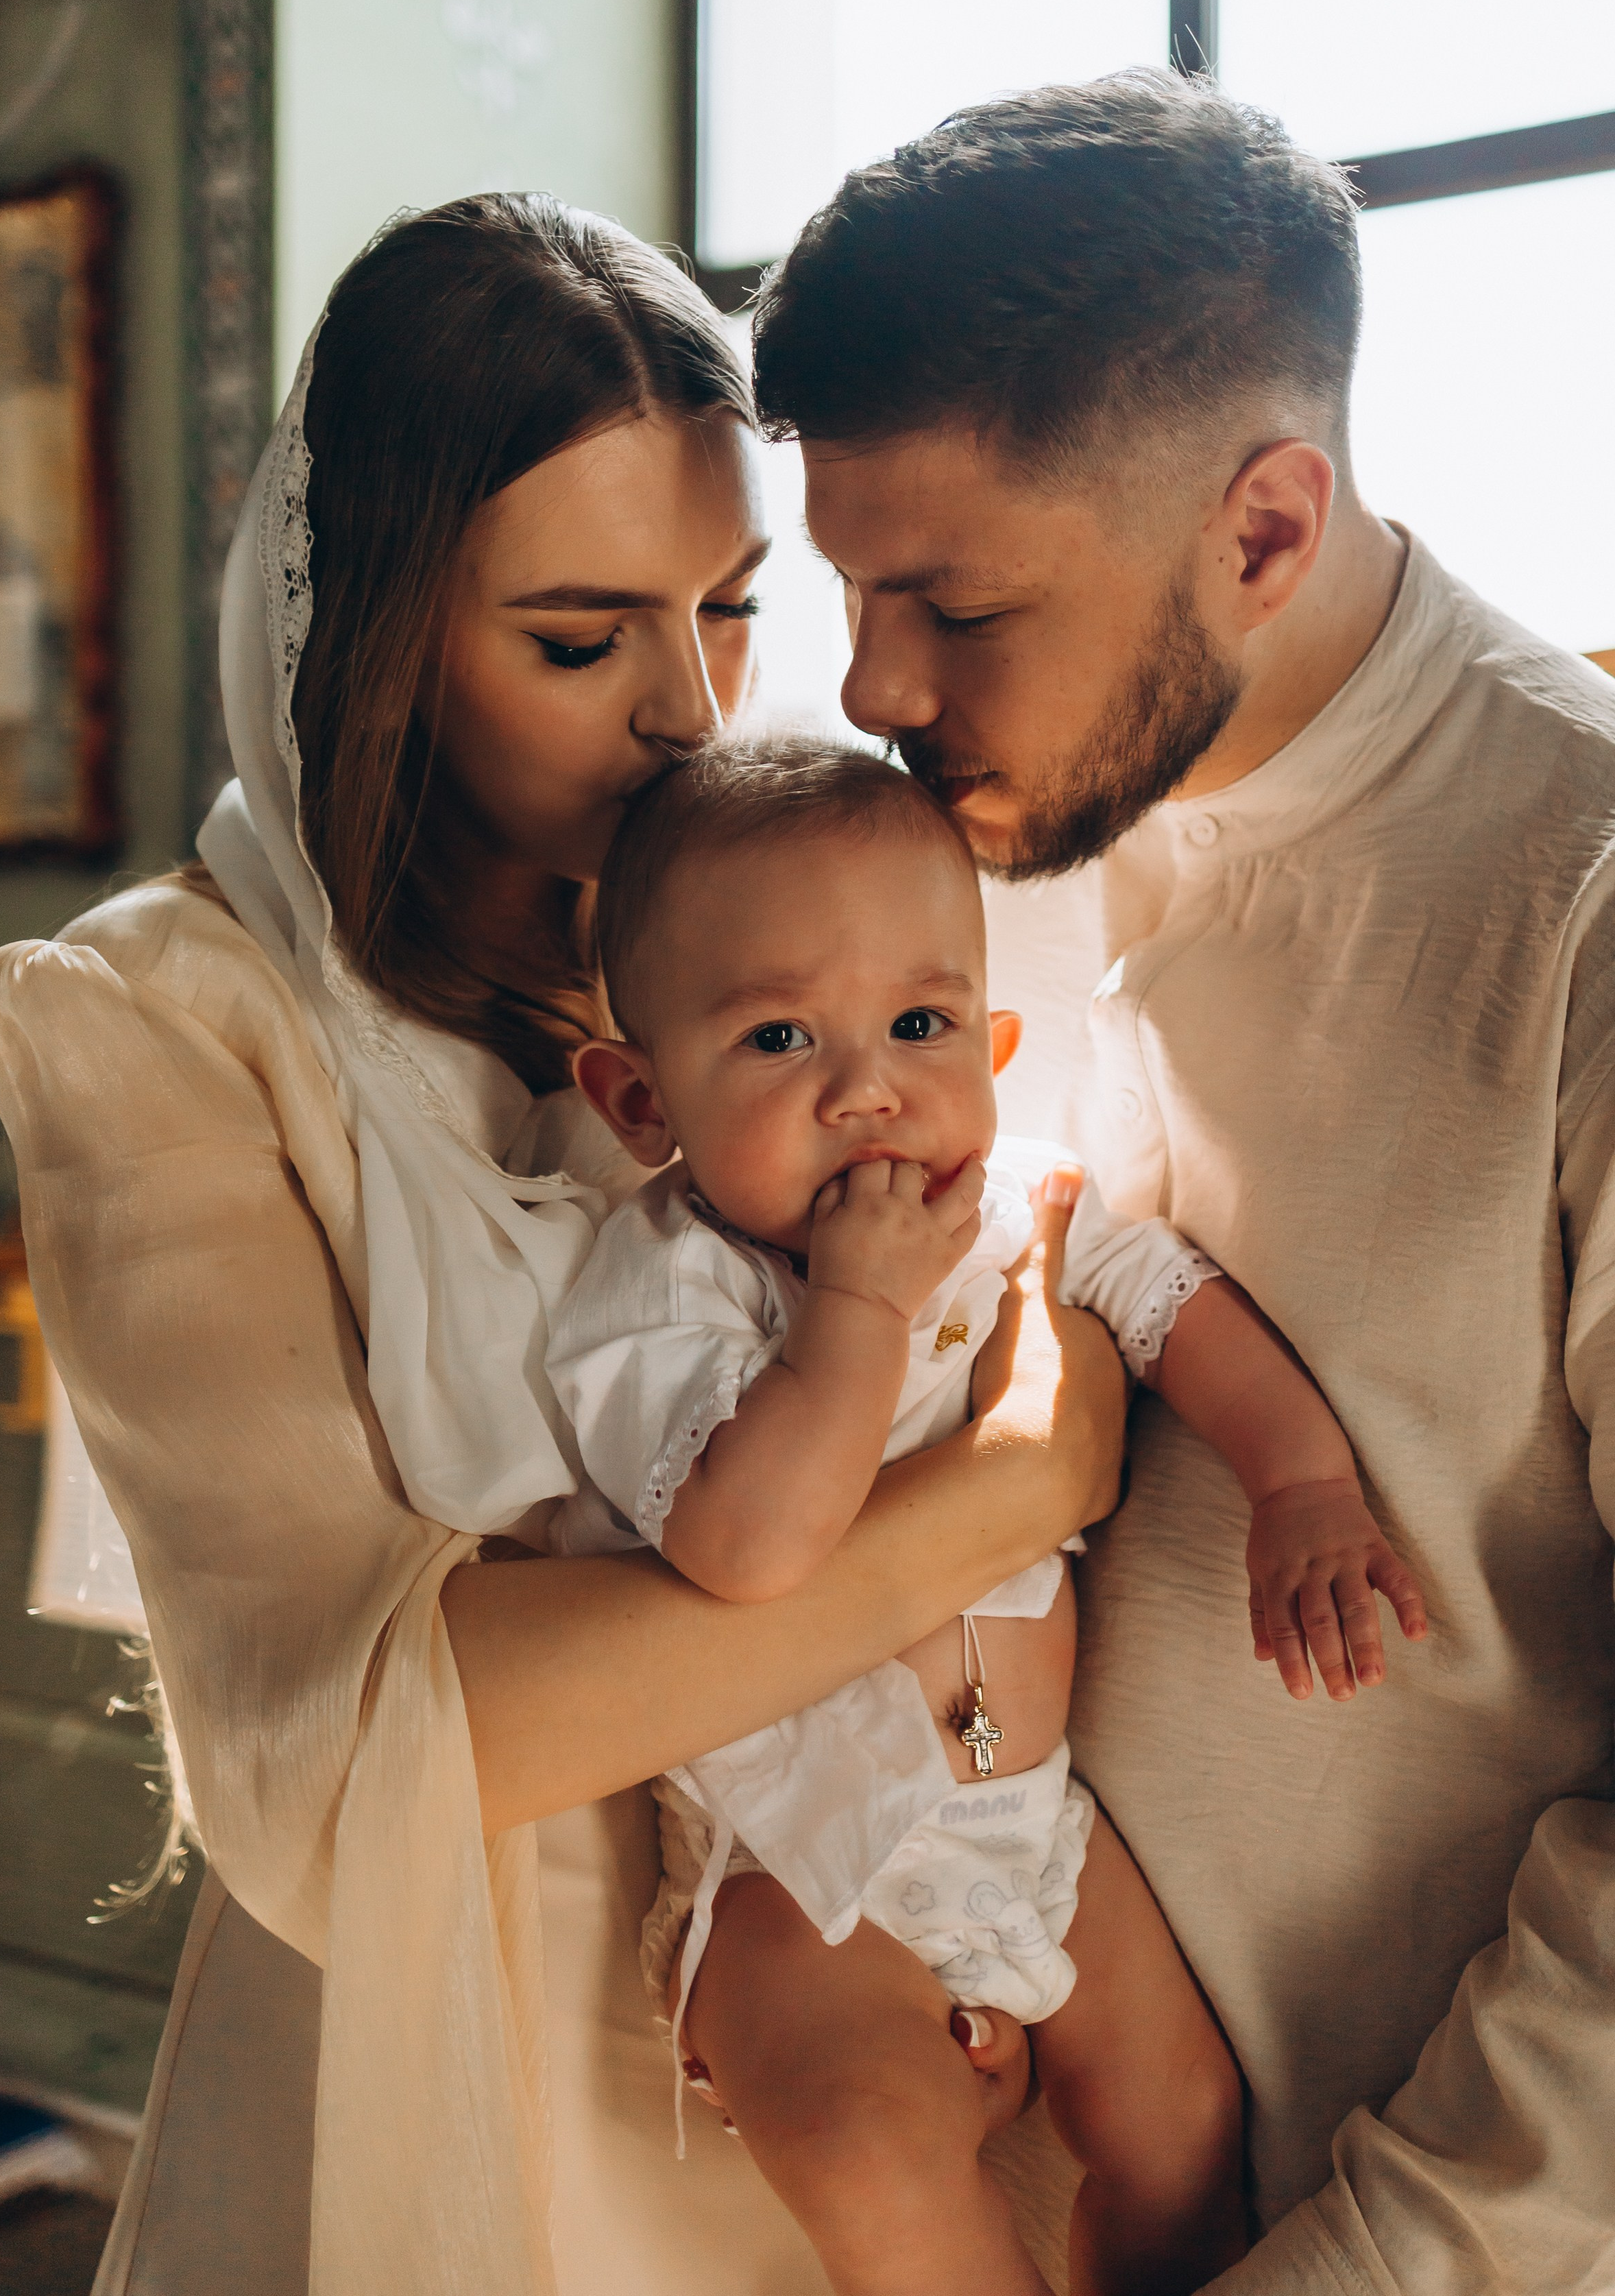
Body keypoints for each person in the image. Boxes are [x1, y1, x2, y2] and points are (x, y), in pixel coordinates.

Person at [0, 195, 1124, 2296]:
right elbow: (354, 1736)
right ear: (388, 644)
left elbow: (1071, 1261)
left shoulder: (826, 939)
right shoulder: (168, 1021)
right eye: (583, 640)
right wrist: (998, 1496)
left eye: (735, 609)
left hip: (861, 2023)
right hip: (454, 2075)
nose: (690, 712)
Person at [751, 67, 1615, 2291]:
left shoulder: (1584, 899)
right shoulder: (916, 868)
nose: (869, 683)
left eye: (950, 600)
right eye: (851, 592)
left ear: (1260, 529)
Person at [541, 732, 1425, 2296]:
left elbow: (1168, 1304)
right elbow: (747, 1551)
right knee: (875, 2158)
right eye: (776, 1039)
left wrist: (1303, 1480)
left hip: (1036, 1832)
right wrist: (858, 1318)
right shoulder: (661, 1290)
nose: (866, 1088)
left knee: (1183, 2119)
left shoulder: (1012, 1206)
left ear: (994, 1043)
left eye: (920, 1023)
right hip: (801, 1876)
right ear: (635, 1096)